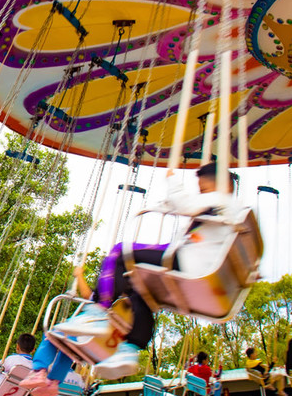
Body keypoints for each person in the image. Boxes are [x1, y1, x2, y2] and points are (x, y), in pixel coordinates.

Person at [52, 162, 240, 379]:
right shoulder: (232, 211)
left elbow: (185, 204)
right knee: (140, 288)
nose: (202, 194)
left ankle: (98, 312)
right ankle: (129, 349)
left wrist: (172, 179)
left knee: (119, 252)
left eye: (204, 189)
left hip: (187, 261)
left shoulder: (219, 198)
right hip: (201, 266)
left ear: (222, 184)